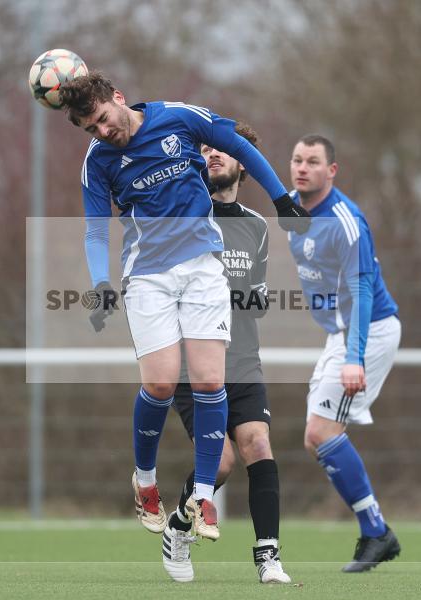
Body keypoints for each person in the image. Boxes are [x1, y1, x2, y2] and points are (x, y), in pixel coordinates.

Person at [58, 72, 310, 542]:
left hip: (201, 267)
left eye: (103, 120)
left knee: (211, 379)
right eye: (91, 128)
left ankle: (202, 498)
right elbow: (96, 230)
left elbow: (240, 144)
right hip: (149, 276)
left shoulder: (178, 118)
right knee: (158, 383)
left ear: (118, 98)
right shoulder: (98, 162)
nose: (102, 131)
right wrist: (100, 283)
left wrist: (281, 199)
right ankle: (146, 482)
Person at [161, 124, 291, 584]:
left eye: (223, 149)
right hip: (193, 362)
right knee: (221, 463)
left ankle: (268, 557)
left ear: (243, 163)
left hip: (242, 359)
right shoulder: (183, 216)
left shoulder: (256, 226)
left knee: (257, 442)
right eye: (206, 147)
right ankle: (178, 526)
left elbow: (255, 298)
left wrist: (242, 294)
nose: (213, 153)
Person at [287, 134, 402, 572]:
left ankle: (377, 533)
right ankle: (376, 531)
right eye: (297, 159)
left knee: (319, 432)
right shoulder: (291, 209)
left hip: (367, 332)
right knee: (316, 435)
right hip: (339, 334)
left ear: (331, 171)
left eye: (313, 161)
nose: (302, 167)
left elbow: (361, 291)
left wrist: (355, 357)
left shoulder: (346, 221)